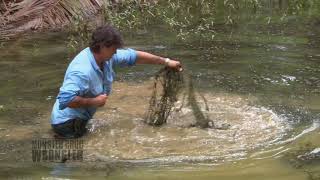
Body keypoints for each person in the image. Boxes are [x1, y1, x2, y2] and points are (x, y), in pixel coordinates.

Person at [50, 25, 182, 138]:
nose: (115, 52)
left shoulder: (106, 57)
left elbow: (135, 57)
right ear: (102, 47)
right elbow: (65, 100)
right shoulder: (82, 71)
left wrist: (166, 61)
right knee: (77, 161)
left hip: (80, 119)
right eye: (113, 49)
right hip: (66, 124)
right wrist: (94, 102)